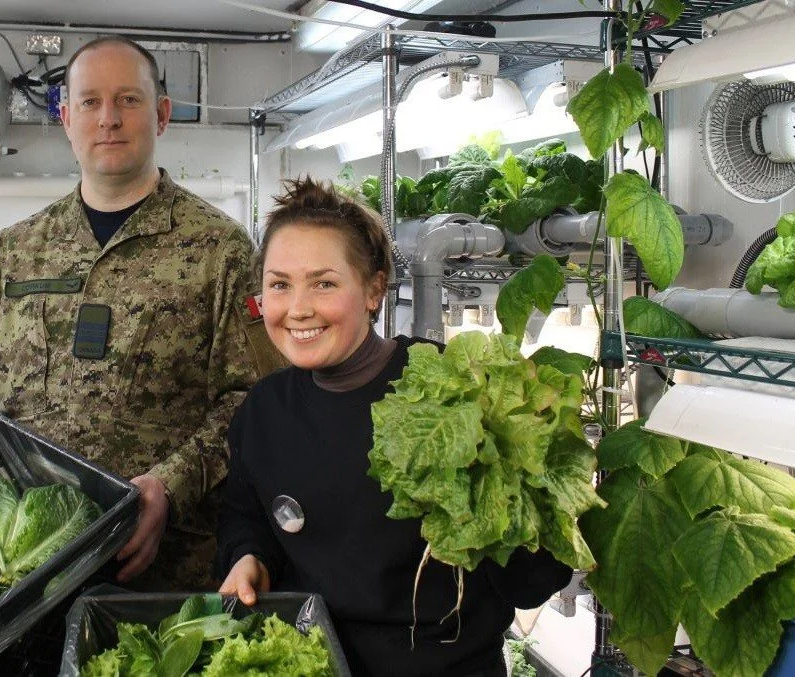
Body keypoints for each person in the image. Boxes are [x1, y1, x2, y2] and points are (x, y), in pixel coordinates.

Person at [0, 36, 281, 590]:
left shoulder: (220, 251)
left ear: (162, 115)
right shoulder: (16, 250)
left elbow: (255, 399)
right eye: (90, 102)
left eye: (128, 99)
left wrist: (169, 485)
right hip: (18, 558)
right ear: (66, 118)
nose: (109, 119)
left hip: (160, 568)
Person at [216, 177, 572, 676]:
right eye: (279, 285)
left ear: (374, 289)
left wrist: (500, 482)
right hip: (315, 663)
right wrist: (249, 556)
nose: (297, 308)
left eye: (324, 283)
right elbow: (246, 515)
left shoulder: (456, 390)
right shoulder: (265, 410)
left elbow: (535, 581)